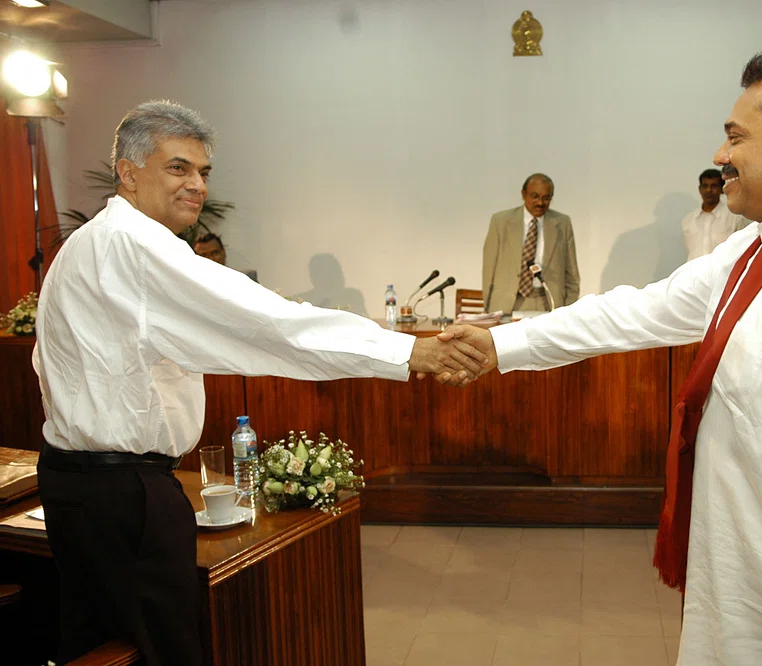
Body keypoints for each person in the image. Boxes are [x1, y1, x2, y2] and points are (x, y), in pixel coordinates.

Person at [434, 52, 762, 666]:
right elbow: (637, 310)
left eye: (735, 136)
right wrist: (502, 344)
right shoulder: (760, 250)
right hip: (739, 614)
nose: (721, 155)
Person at [33, 100, 486, 666]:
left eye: (203, 172)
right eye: (178, 168)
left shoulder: (94, 242)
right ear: (127, 171)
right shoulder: (134, 246)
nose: (196, 185)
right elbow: (270, 326)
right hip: (122, 496)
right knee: (158, 650)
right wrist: (408, 351)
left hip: (85, 486)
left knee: (107, 642)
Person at [482, 173, 580, 314]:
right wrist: (489, 307)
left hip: (548, 303)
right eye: (535, 196)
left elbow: (572, 275)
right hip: (508, 303)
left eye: (546, 198)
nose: (540, 203)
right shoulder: (501, 222)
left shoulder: (562, 224)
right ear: (524, 194)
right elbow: (489, 269)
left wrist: (569, 311)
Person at [680, 168, 749, 261]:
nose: (709, 190)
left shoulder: (735, 217)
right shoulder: (688, 220)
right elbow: (689, 250)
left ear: (722, 189)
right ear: (700, 189)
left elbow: (743, 248)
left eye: (714, 186)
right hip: (694, 273)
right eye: (705, 186)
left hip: (725, 274)